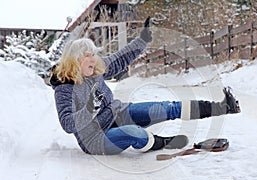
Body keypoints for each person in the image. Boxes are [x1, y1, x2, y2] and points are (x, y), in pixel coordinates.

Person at [50, 17, 241, 155]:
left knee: (167, 107)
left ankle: (223, 106)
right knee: (134, 133)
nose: (93, 58)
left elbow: (121, 57)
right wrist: (91, 108)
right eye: (88, 55)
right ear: (75, 61)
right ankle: (165, 143)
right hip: (96, 139)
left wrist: (143, 40)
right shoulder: (64, 87)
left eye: (93, 54)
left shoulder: (96, 69)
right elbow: (67, 124)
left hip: (119, 114)